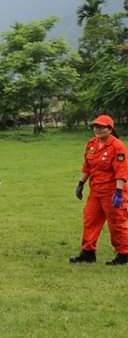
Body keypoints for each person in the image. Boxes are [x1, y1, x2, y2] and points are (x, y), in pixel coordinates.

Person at [70, 114, 128, 265]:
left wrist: (119, 192)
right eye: (95, 126)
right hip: (96, 191)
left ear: (110, 129)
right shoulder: (91, 144)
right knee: (90, 220)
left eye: (102, 127)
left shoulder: (117, 146)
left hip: (113, 191)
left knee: (116, 222)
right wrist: (81, 183)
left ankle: (124, 253)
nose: (97, 129)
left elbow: (121, 171)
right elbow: (87, 166)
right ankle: (88, 252)